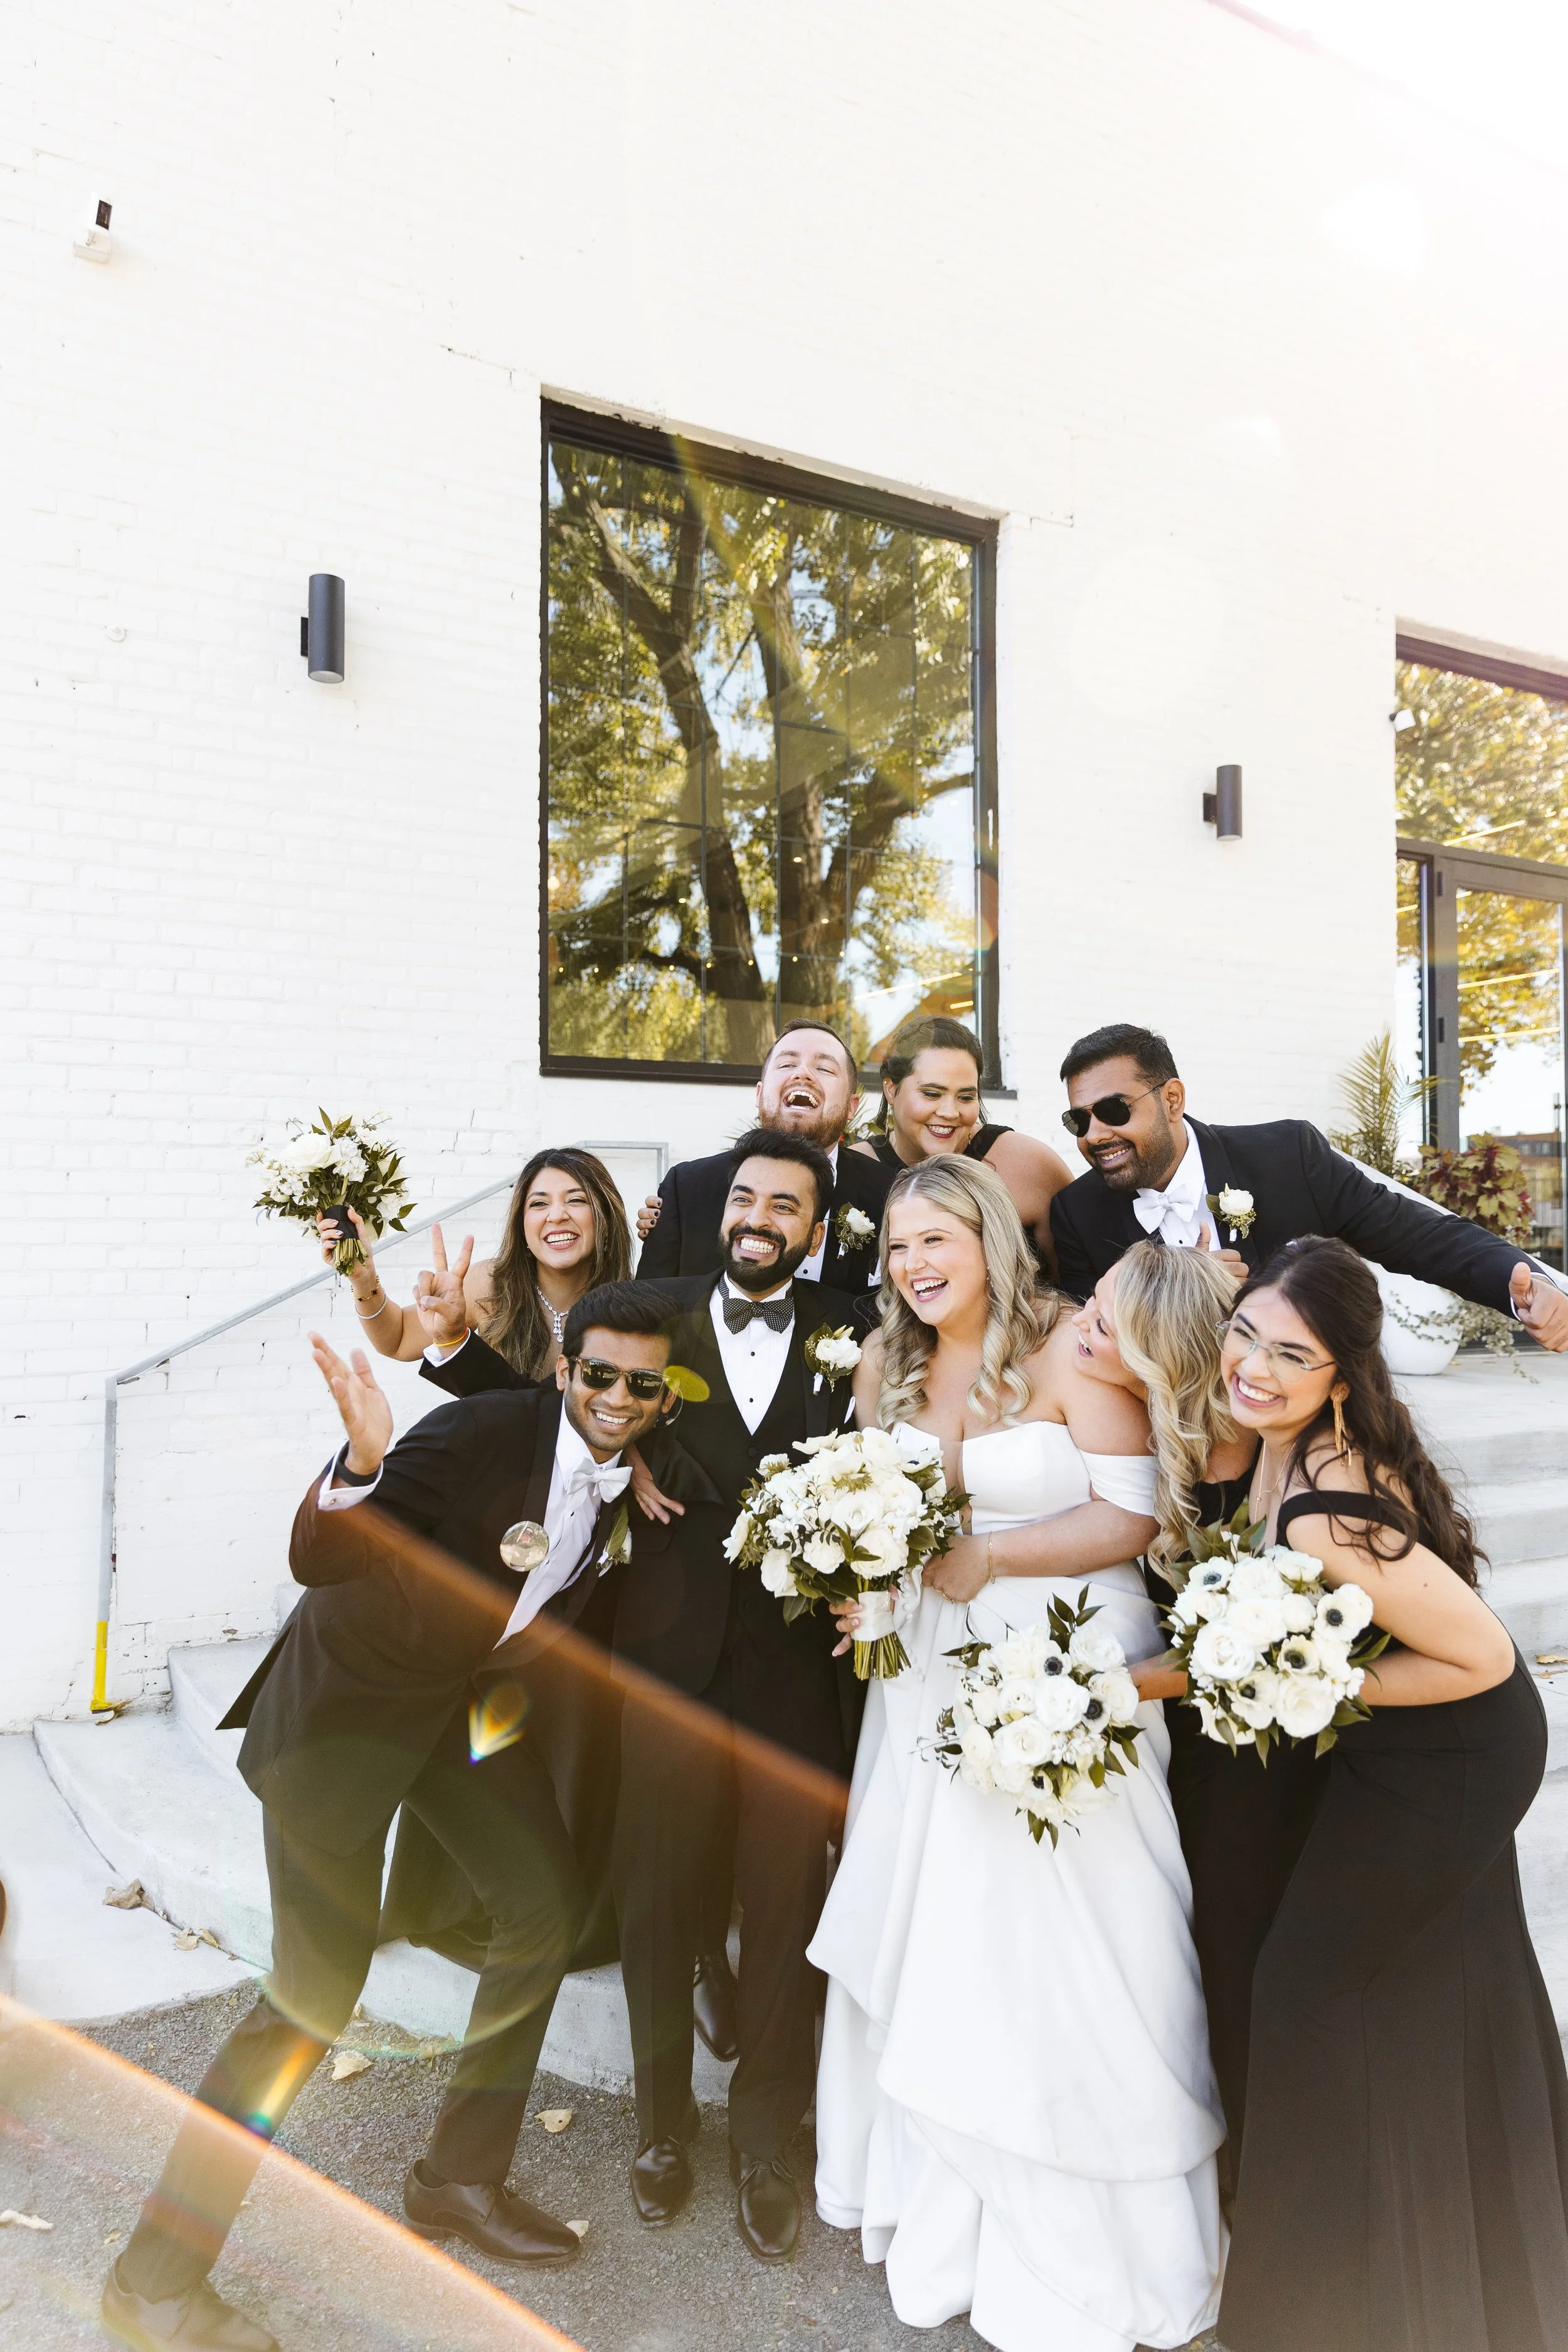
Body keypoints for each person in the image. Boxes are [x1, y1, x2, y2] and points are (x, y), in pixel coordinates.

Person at [102, 1283, 684, 2352]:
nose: (615, 1397)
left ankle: (458, 2181)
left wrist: (632, 1460)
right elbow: (322, 1559)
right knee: (309, 2005)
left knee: (543, 1910)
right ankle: (153, 2283)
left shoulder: (623, 1460)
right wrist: (362, 1464)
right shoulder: (475, 1430)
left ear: (661, 1394)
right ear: (565, 1369)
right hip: (343, 1722)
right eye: (597, 1374)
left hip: (454, 1711)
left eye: (641, 1385)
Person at [421, 1130, 867, 2264]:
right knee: (660, 1909)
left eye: (788, 1204)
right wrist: (456, 1349)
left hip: (793, 1674)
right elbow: (550, 1405)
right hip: (662, 1662)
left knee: (780, 1910)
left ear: (816, 1229)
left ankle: (768, 2139)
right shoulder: (654, 1310)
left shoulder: (849, 1330)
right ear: (724, 1212)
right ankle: (663, 2131)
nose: (762, 1216)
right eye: (748, 1198)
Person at [808, 1157, 1225, 2352]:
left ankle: (1095, 2216)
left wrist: (992, 1559)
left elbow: (1132, 1512)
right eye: (896, 1247)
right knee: (942, 1924)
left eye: (937, 1237)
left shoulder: (1068, 1342)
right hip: (928, 1674)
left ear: (992, 1236)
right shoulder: (884, 1362)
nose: (915, 1264)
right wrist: (864, 1585)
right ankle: (948, 2206)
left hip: (1068, 1663)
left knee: (1085, 1928)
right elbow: (871, 1509)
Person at [1206, 1237, 1568, 2352]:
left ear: (1341, 1377)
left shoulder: (1324, 1498)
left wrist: (1307, 1683)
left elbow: (1480, 1662)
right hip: (1418, 1748)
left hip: (1450, 1757)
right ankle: (1466, 2274)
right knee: (1432, 1982)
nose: (1254, 1367)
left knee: (1305, 1988)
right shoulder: (1296, 1446)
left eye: (1290, 1354)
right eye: (1246, 1334)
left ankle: (1310, 2306)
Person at [1068, 1241, 1320, 2212]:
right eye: (1091, 1304)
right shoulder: (1155, 1424)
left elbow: (1246, 1636)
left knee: (1237, 1951)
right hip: (1195, 1738)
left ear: (1158, 1346)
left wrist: (1121, 1686)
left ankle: (1262, 2199)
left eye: (1103, 1318)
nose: (1080, 1326)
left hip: (1260, 1747)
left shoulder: (1242, 1450)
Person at [1049, 1021, 1568, 1350]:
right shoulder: (1077, 1214)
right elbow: (1084, 1348)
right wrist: (1176, 1299)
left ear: (1172, 1099)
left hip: (1307, 1439)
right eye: (1079, 1120)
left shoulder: (1287, 1157)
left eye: (1114, 1110)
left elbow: (1420, 1236)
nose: (1096, 1135)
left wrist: (1527, 1286)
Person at [323, 1146, 632, 1377]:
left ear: (604, 1214)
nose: (556, 1215)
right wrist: (363, 1279)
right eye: (539, 1203)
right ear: (521, 1223)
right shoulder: (491, 1284)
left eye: (576, 1200)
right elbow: (399, 1339)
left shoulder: (632, 1300)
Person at [635, 1019, 892, 1288]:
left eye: (824, 1068)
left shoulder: (890, 1193)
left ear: (852, 1107)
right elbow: (647, 1308)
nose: (802, 1074)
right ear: (759, 1095)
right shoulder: (687, 1187)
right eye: (787, 1064)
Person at [859, 1015, 1075, 1268]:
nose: (950, 1112)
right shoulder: (856, 1168)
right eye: (932, 1094)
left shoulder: (1031, 1165)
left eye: (965, 1097)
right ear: (891, 1089)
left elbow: (1079, 1286)